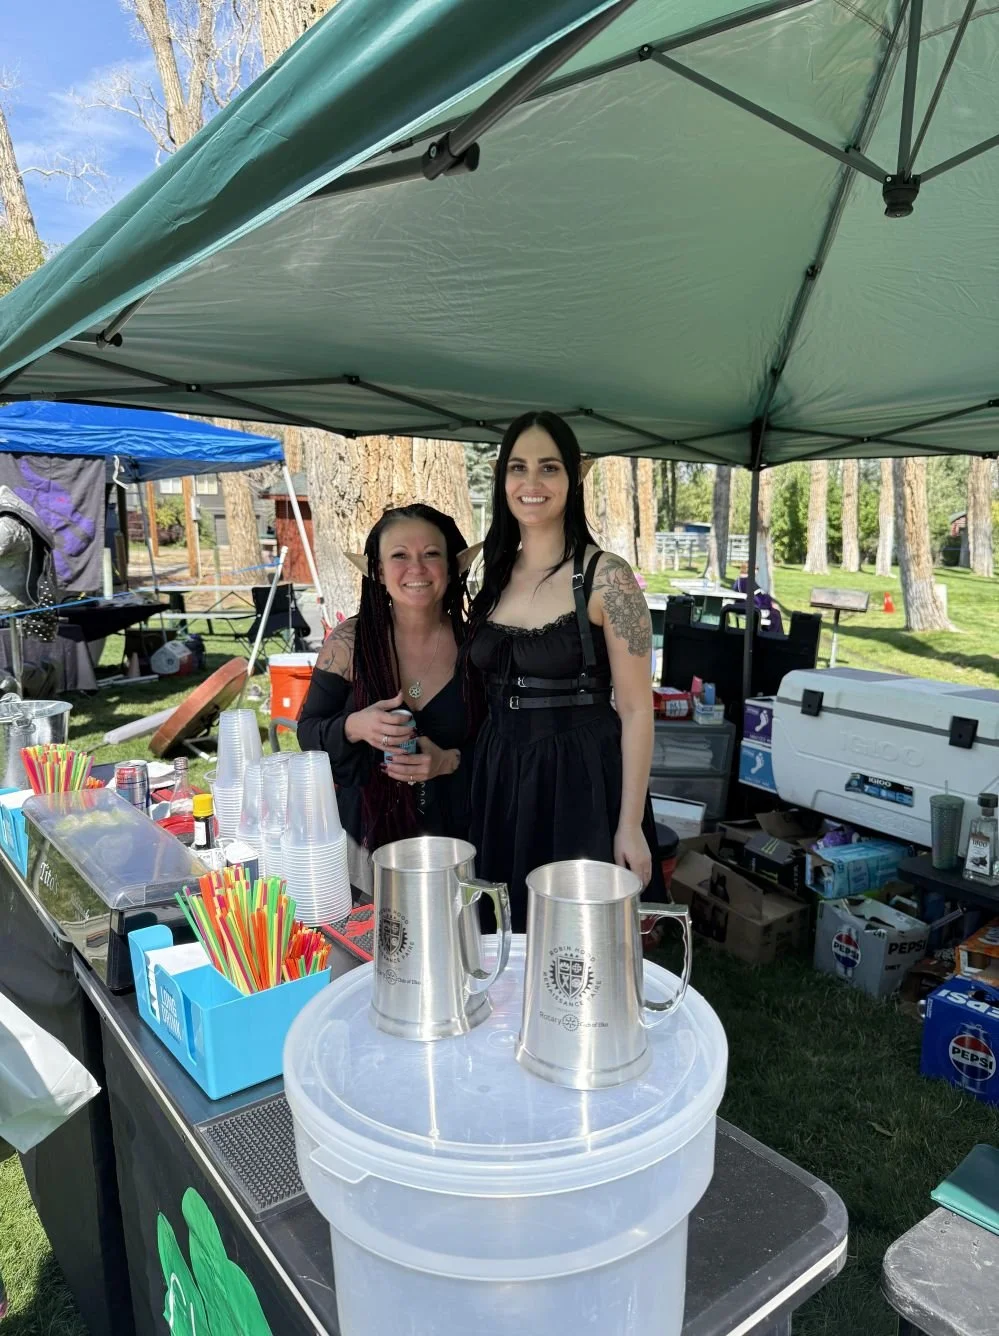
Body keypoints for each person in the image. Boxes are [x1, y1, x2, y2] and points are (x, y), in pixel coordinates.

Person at [466, 410, 664, 931]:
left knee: (576, 944)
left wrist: (629, 824)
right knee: (503, 940)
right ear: (503, 479)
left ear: (573, 478)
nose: (531, 483)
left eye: (548, 468)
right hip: (500, 777)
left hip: (579, 783)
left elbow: (637, 710)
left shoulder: (608, 578)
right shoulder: (495, 573)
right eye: (518, 468)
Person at [297, 505, 478, 886]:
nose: (417, 568)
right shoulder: (348, 643)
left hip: (456, 839)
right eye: (399, 555)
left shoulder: (476, 646)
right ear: (378, 571)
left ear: (451, 567)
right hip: (363, 842)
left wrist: (448, 761)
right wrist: (354, 726)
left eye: (431, 554)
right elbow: (308, 732)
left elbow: (503, 747)